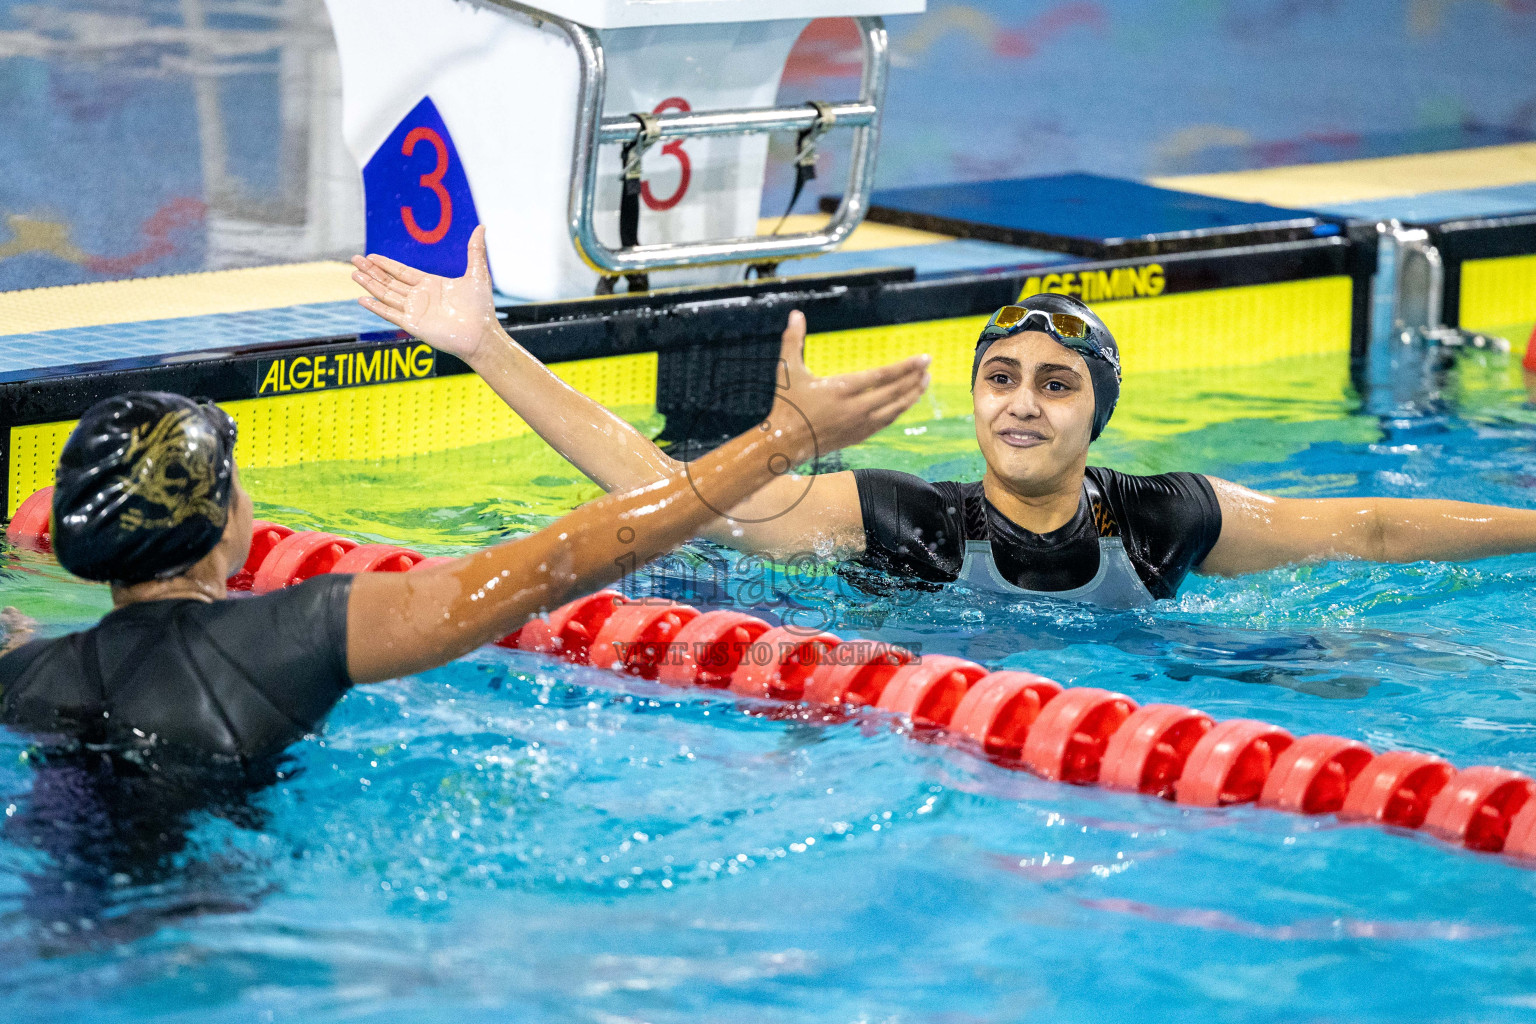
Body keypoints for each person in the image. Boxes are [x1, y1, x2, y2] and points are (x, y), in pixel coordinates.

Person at [353, 227, 1536, 609]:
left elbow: (1373, 533)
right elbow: (685, 501)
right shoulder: (908, 520)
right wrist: (487, 345)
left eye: (1055, 384)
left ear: (1097, 414)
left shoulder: (1165, 519)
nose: (1020, 403)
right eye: (1001, 378)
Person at [0, 345, 930, 762]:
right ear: (221, 520)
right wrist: (777, 443)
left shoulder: (30, 669)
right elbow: (558, 564)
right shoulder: (295, 632)